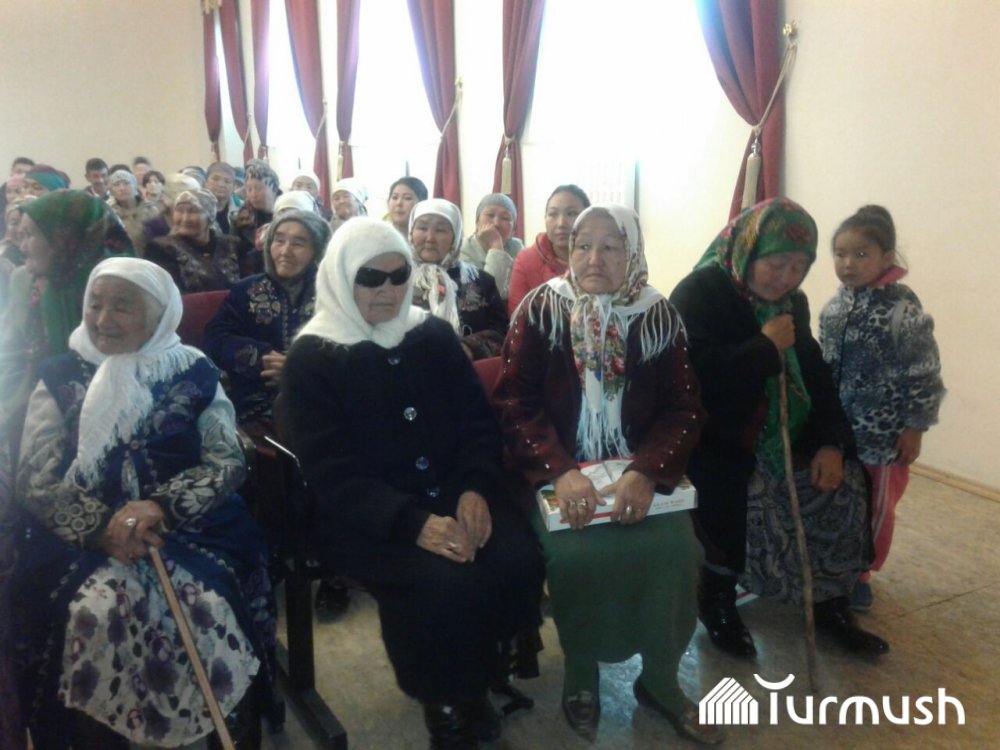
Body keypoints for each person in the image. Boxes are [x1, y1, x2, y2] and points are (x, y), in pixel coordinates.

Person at [281, 217, 544, 749]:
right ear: (341, 277)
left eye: (398, 276)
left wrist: (475, 488)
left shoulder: (432, 335)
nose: (387, 289)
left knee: (515, 558)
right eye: (370, 278)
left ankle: (482, 674)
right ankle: (447, 709)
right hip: (369, 515)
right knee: (440, 584)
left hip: (456, 491)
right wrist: (411, 522)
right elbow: (329, 469)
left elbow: (476, 423)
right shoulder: (314, 356)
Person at [10, 257, 276, 749]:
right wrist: (101, 528)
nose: (103, 319)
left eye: (122, 307)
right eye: (95, 304)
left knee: (208, 604)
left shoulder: (193, 369)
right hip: (84, 536)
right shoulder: (58, 373)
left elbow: (226, 459)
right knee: (95, 612)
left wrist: (162, 506)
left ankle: (224, 723)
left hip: (189, 525)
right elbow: (35, 477)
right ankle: (99, 734)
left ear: (158, 316)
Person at [493, 204, 720, 745]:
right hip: (557, 473)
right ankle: (581, 672)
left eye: (610, 247)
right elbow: (514, 402)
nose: (594, 258)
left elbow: (684, 409)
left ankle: (660, 679)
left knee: (677, 550)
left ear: (632, 253)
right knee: (576, 556)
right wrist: (560, 471)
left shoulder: (657, 316)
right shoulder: (541, 310)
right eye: (582, 245)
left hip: (636, 474)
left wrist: (646, 471)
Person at [669, 197, 890, 660]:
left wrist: (830, 442)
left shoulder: (793, 303)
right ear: (749, 251)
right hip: (719, 435)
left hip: (785, 429)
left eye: (798, 267)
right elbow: (689, 378)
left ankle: (828, 601)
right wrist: (762, 349)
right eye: (776, 263)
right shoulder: (700, 292)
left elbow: (813, 371)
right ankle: (718, 597)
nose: (785, 278)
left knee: (845, 484)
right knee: (739, 493)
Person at [0, 192, 134, 749]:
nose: (20, 240)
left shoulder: (115, 283)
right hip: (37, 417)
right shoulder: (25, 284)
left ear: (66, 240)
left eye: (32, 232)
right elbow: (12, 357)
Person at [201, 210, 349, 615]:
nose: (286, 249)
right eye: (279, 240)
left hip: (321, 399)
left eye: (299, 242)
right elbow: (215, 338)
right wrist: (260, 356)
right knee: (274, 458)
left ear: (317, 249)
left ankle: (333, 564)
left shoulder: (334, 293)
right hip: (257, 400)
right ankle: (277, 551)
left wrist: (300, 366)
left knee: (335, 451)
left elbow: (353, 345)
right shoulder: (246, 290)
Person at [819, 205, 945, 611]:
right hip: (841, 435)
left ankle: (861, 573)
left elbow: (924, 372)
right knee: (841, 503)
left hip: (883, 439)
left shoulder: (902, 311)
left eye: (861, 254)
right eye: (840, 253)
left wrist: (915, 426)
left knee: (875, 509)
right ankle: (834, 565)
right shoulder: (833, 309)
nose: (848, 264)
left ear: (886, 257)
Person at [409, 199, 508, 360]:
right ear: (411, 233)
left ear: (455, 236)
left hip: (469, 368)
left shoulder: (480, 281)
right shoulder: (396, 280)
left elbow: (501, 331)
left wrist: (468, 346)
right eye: (422, 228)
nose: (430, 238)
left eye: (440, 230)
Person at [507, 184, 590, 315]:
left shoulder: (600, 259)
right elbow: (517, 317)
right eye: (553, 214)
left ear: (588, 218)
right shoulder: (527, 260)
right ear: (545, 218)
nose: (561, 223)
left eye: (571, 213)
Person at [145, 188, 241, 294]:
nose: (185, 218)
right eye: (179, 210)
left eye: (193, 211)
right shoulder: (161, 249)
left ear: (210, 217)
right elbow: (170, 294)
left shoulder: (231, 245)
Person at [460, 193, 524, 301]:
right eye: (490, 215)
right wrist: (496, 245)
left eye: (505, 218)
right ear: (477, 222)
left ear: (513, 230)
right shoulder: (463, 249)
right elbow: (488, 296)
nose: (496, 223)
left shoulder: (518, 248)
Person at [233, 161, 279, 275]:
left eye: (258, 188)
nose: (253, 194)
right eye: (249, 189)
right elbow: (236, 255)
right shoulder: (241, 218)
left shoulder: (287, 213)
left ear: (274, 188)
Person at [107, 169, 145, 249]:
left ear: (135, 186)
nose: (122, 188)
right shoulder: (109, 214)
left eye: (126, 183)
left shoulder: (150, 209)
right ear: (111, 191)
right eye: (116, 185)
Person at [206, 162, 243, 235]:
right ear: (206, 182)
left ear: (233, 186)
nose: (221, 184)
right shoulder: (196, 207)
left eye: (227, 181)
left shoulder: (242, 209)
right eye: (215, 179)